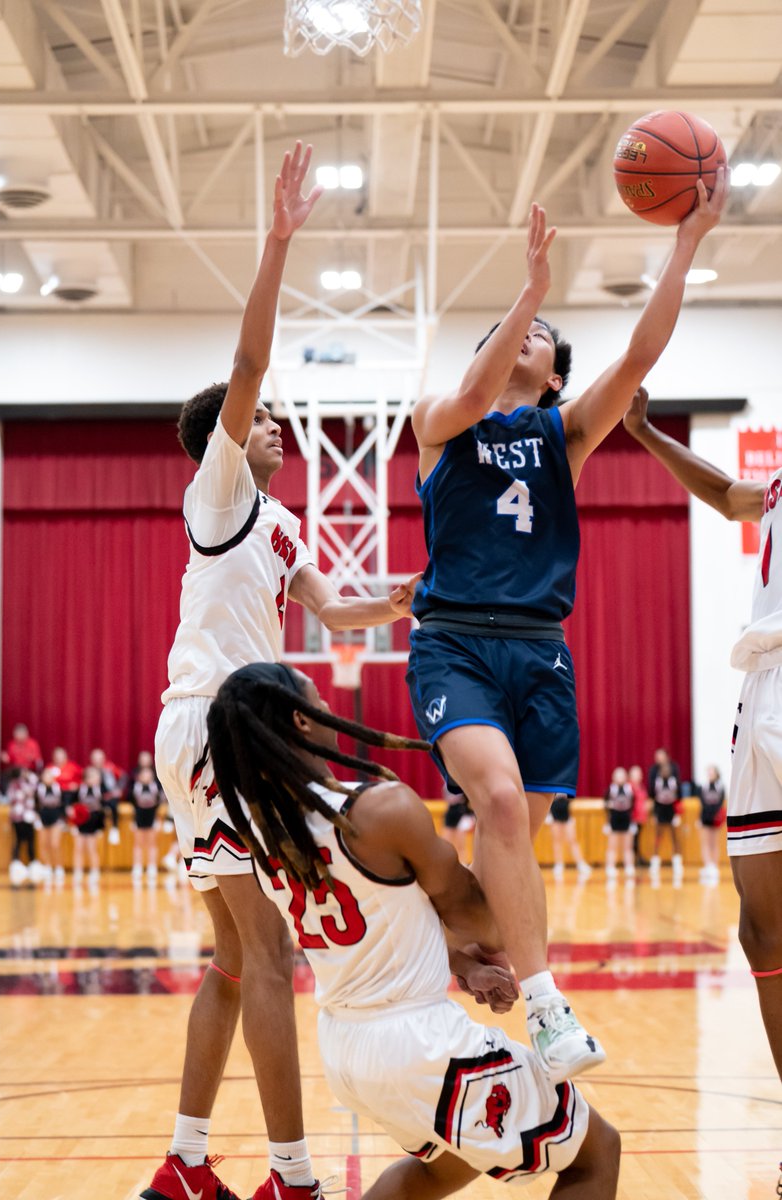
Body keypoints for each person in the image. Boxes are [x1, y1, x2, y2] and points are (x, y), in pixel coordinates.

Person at [144, 142, 420, 1200]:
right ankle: (296, 1178)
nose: (270, 425)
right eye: (255, 420)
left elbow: (328, 608)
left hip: (222, 735)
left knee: (230, 959)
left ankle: (184, 1163)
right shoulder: (216, 498)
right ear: (223, 437)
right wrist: (278, 240)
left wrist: (389, 600)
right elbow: (251, 366)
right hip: (212, 731)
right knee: (270, 954)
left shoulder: (283, 524)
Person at [405, 172, 727, 1079]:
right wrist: (532, 293)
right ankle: (547, 1011)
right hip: (456, 640)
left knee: (509, 853)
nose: (531, 339)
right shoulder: (441, 423)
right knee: (499, 803)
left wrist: (686, 244)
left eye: (544, 340)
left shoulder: (565, 433)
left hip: (542, 653)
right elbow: (470, 396)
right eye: (517, 333)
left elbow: (639, 356)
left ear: (553, 377)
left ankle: (454, 944)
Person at [207, 661, 621, 1200]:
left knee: (439, 1172)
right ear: (300, 721)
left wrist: (464, 964)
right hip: (420, 1044)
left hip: (347, 1048)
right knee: (596, 1154)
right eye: (318, 702)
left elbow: (383, 920)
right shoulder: (381, 809)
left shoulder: (263, 836)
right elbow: (480, 916)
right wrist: (510, 819)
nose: (330, 709)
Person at [623, 387, 782, 1103]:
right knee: (762, 933)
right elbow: (725, 493)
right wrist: (647, 432)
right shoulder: (776, 485)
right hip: (763, 682)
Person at [130, 764, 164, 886]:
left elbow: (161, 803)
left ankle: (152, 867)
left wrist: (158, 819)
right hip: (139, 817)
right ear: (139, 776)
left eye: (148, 774)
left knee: (152, 843)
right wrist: (133, 819)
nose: (146, 776)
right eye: (143, 774)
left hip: (152, 817)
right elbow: (131, 802)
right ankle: (137, 867)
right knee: (138, 843)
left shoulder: (156, 787)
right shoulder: (135, 787)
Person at [649, 760, 683, 881]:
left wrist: (677, 815)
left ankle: (677, 863)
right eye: (663, 770)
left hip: (671, 812)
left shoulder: (674, 782)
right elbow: (653, 798)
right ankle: (655, 862)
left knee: (675, 838)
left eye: (667, 769)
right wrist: (654, 814)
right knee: (658, 837)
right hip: (660, 812)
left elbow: (679, 799)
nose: (665, 771)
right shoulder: (657, 782)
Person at [546, 794, 591, 882]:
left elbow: (572, 798)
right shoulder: (552, 790)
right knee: (557, 841)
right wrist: (548, 814)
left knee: (573, 841)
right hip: (555, 818)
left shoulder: (566, 787)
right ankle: (559, 864)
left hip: (567, 817)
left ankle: (580, 864)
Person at [35, 765, 66, 885]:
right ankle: (47, 866)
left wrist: (63, 818)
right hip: (42, 817)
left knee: (55, 844)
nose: (47, 778)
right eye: (45, 775)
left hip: (56, 817)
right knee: (44, 844)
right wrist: (36, 817)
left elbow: (64, 804)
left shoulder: (58, 789)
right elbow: (35, 804)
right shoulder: (38, 789)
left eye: (50, 775)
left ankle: (59, 867)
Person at [603, 767, 635, 881]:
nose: (620, 778)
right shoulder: (611, 790)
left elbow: (633, 805)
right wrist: (607, 823)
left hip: (626, 819)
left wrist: (632, 822)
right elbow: (605, 805)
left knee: (628, 846)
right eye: (618, 775)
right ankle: (610, 866)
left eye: (622, 775)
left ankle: (629, 866)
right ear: (614, 778)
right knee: (612, 845)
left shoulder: (629, 789)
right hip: (614, 820)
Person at [698, 765, 725, 885]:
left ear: (716, 773)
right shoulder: (703, 786)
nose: (709, 773)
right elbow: (702, 802)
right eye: (708, 771)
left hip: (716, 817)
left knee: (714, 842)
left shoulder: (720, 787)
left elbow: (720, 802)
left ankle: (714, 866)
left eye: (711, 771)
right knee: (705, 842)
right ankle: (707, 865)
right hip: (705, 817)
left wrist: (717, 816)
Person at [628, 764, 649, 866]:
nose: (639, 776)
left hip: (640, 817)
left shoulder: (641, 786)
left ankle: (638, 858)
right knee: (632, 840)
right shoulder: (629, 787)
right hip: (633, 817)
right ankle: (635, 860)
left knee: (637, 838)